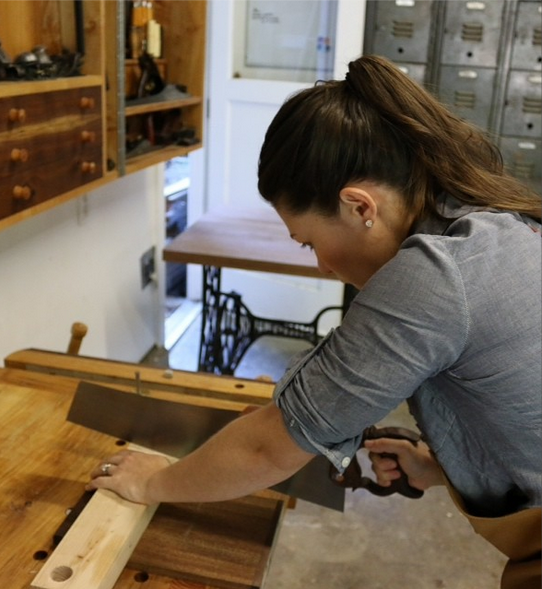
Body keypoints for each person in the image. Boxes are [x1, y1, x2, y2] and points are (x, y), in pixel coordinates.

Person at [88, 55, 541, 588]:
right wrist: (442, 468)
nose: (322, 265)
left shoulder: (435, 275)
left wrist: (154, 482)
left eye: (309, 242)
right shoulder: (494, 224)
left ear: (359, 206)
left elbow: (268, 447)